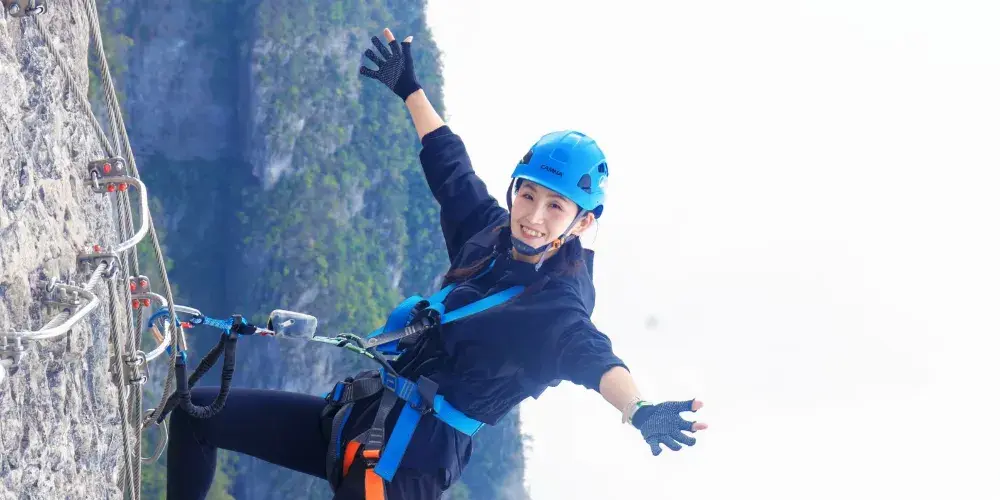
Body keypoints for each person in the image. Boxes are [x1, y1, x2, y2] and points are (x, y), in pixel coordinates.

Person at [165, 27, 707, 500]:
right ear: (515, 190)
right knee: (194, 414)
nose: (534, 217)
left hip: (408, 467)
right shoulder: (489, 234)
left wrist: (638, 409)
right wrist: (410, 88)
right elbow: (451, 169)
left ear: (582, 223)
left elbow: (593, 357)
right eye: (528, 195)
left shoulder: (556, 306)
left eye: (556, 207)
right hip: (360, 416)